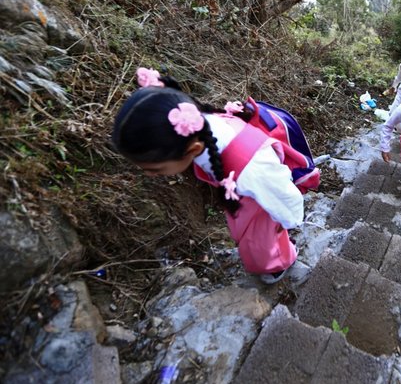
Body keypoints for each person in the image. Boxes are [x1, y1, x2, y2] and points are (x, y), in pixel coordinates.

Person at [112, 68, 303, 284]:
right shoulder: (197, 127)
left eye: (156, 169)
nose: (150, 175)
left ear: (193, 150)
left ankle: (277, 265)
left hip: (260, 196)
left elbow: (281, 193)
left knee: (260, 242)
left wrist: (288, 218)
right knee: (252, 235)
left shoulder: (250, 166)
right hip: (244, 190)